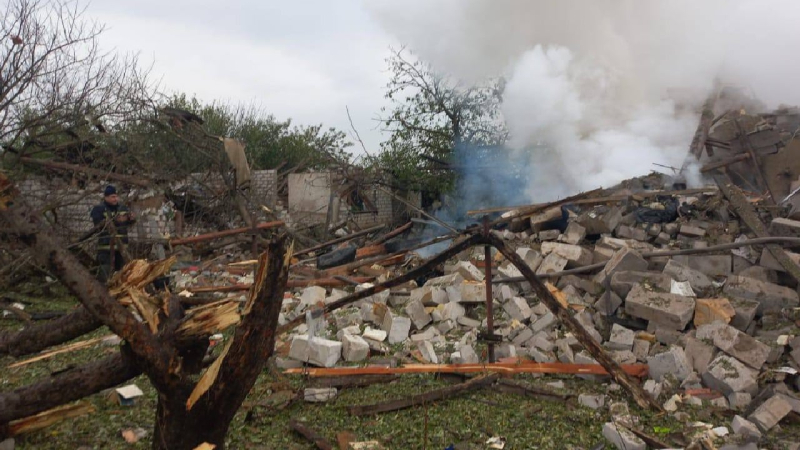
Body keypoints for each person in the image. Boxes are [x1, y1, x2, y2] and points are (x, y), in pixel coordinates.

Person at [91, 185, 136, 281]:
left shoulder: (122, 208)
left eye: (116, 196)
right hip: (106, 248)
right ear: (106, 197)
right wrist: (115, 220)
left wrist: (131, 219)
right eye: (112, 197)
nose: (115, 199)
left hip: (122, 248)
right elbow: (98, 225)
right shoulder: (99, 209)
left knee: (123, 273)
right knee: (105, 273)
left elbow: (127, 223)